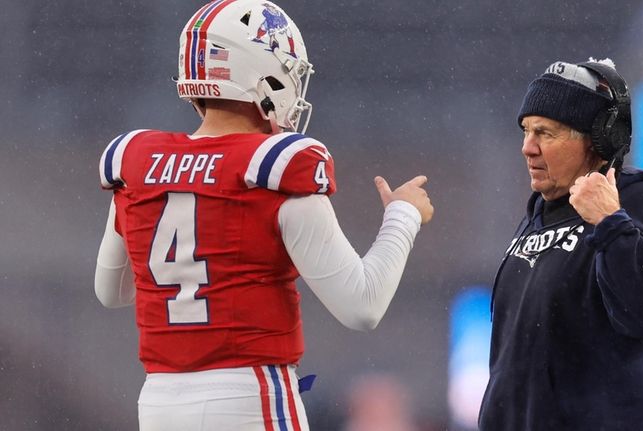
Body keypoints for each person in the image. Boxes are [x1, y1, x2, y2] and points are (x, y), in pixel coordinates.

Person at [93, 1, 433, 430]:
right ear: (264, 77)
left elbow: (111, 291)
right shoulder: (273, 166)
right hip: (250, 396)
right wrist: (403, 215)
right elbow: (361, 307)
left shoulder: (135, 162)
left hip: (160, 403)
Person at [478, 59, 643, 430]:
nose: (527, 148)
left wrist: (611, 223)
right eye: (526, 131)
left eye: (545, 133)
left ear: (597, 139)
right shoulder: (538, 216)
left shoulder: (639, 198)